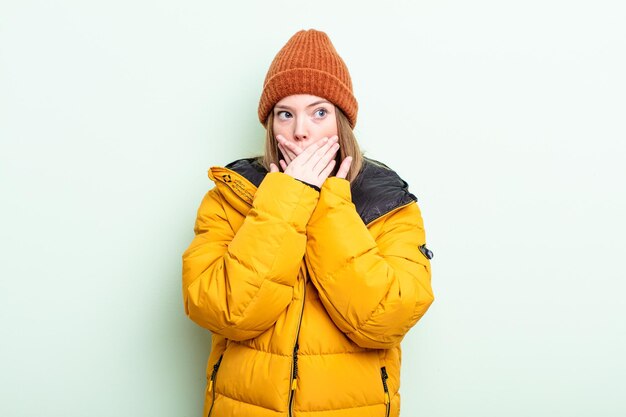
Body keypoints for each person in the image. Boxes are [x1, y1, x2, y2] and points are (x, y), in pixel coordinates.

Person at [182, 29, 435, 417]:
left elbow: (384, 319)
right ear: (271, 125)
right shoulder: (229, 197)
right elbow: (225, 311)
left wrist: (329, 202)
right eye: (286, 113)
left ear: (342, 123)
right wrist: (288, 197)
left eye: (319, 112)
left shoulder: (389, 202)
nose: (300, 130)